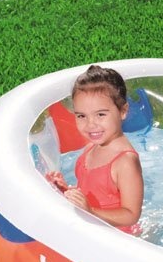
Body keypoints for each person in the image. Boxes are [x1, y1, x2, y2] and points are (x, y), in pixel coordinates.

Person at [46, 65, 144, 234]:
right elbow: (91, 193)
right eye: (81, 116)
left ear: (123, 111)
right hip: (92, 229)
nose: (90, 124)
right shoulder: (92, 147)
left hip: (118, 238)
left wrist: (90, 211)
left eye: (100, 114)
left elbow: (131, 215)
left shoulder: (125, 161)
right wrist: (66, 191)